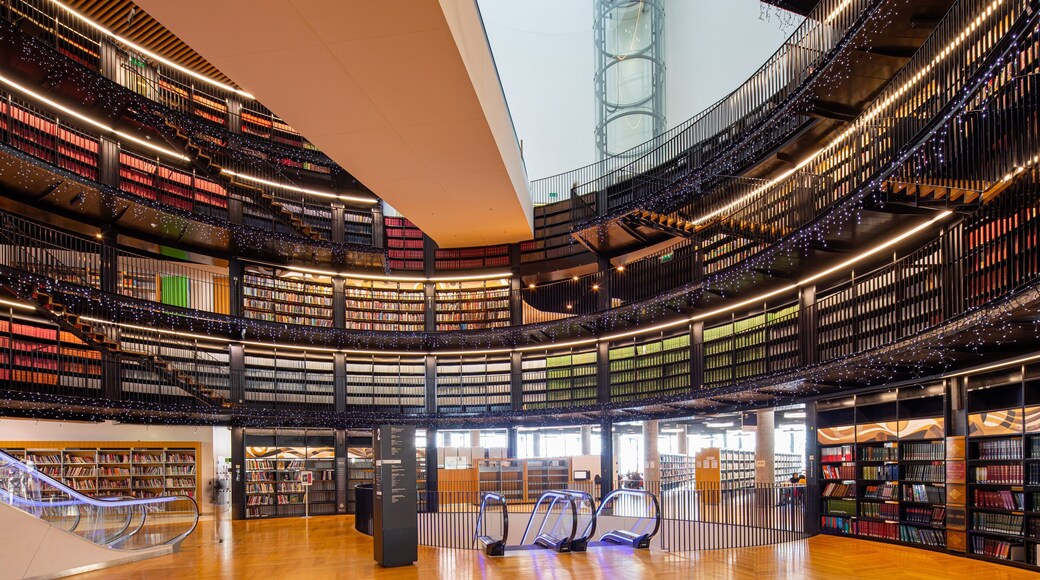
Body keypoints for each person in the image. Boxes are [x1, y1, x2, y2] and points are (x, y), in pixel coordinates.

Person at [208, 477, 227, 544]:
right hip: (218, 505)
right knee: (219, 520)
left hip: (217, 504)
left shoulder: (216, 491)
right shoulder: (220, 492)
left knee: (218, 520)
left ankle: (217, 534)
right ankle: (218, 535)